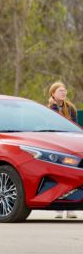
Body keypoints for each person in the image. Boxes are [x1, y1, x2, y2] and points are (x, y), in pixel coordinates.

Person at [47, 82, 78, 219]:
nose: (63, 93)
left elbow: (75, 125)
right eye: (60, 91)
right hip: (55, 144)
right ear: (53, 93)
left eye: (64, 91)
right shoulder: (49, 108)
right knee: (59, 176)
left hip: (70, 144)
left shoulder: (71, 108)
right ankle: (58, 208)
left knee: (72, 175)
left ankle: (71, 207)